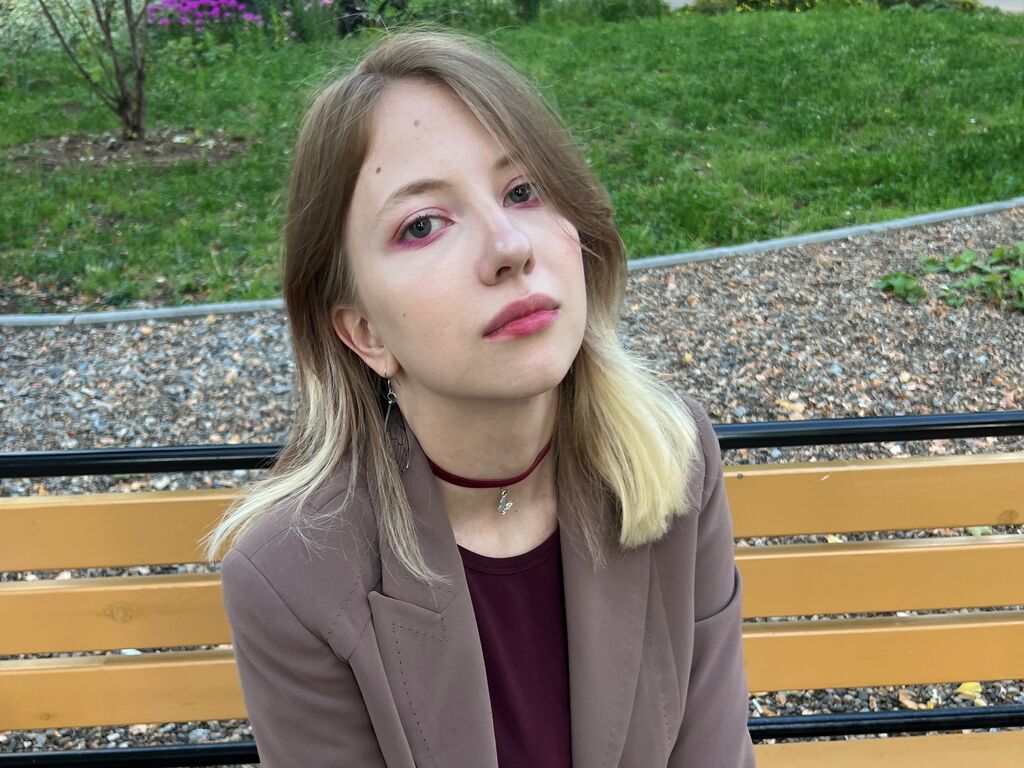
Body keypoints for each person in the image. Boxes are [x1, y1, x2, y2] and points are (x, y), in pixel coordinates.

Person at [204, 27, 756, 768]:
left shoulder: (669, 456)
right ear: (365, 332)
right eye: (422, 225)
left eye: (523, 191)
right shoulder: (295, 577)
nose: (509, 248)